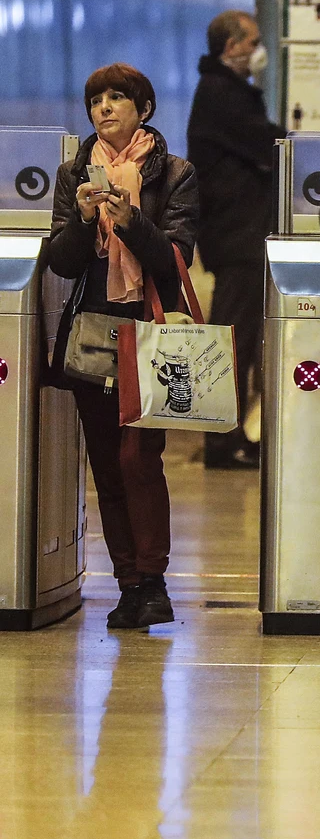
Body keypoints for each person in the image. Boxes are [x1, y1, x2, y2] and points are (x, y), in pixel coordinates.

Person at [46, 63, 199, 629]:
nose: (104, 108)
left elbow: (176, 258)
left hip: (150, 331)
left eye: (117, 98)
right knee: (107, 467)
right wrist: (86, 220)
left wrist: (131, 221)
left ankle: (154, 582)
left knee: (140, 460)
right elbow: (61, 260)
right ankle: (128, 585)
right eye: (95, 101)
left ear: (143, 108)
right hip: (92, 330)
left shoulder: (175, 173)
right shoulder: (73, 174)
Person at [185, 10, 282, 470]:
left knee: (238, 337)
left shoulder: (223, 91)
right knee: (232, 340)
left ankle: (234, 435)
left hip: (237, 233)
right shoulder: (223, 94)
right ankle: (222, 441)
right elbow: (266, 144)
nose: (259, 50)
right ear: (232, 47)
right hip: (237, 235)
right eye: (254, 41)